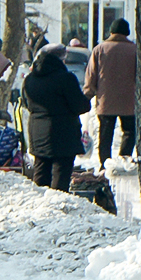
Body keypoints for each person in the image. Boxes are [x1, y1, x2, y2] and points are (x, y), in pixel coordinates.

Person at [23, 43, 90, 191]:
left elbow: (27, 104)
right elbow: (80, 106)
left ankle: (39, 204)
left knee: (40, 171)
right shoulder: (66, 78)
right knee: (61, 174)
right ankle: (58, 206)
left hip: (37, 132)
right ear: (61, 58)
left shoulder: (29, 79)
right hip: (63, 133)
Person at [85, 18, 138, 165]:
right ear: (126, 32)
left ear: (111, 31)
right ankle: (123, 158)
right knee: (129, 131)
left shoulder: (99, 49)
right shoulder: (134, 50)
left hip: (105, 100)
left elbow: (91, 76)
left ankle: (105, 164)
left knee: (105, 134)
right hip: (129, 101)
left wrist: (88, 94)